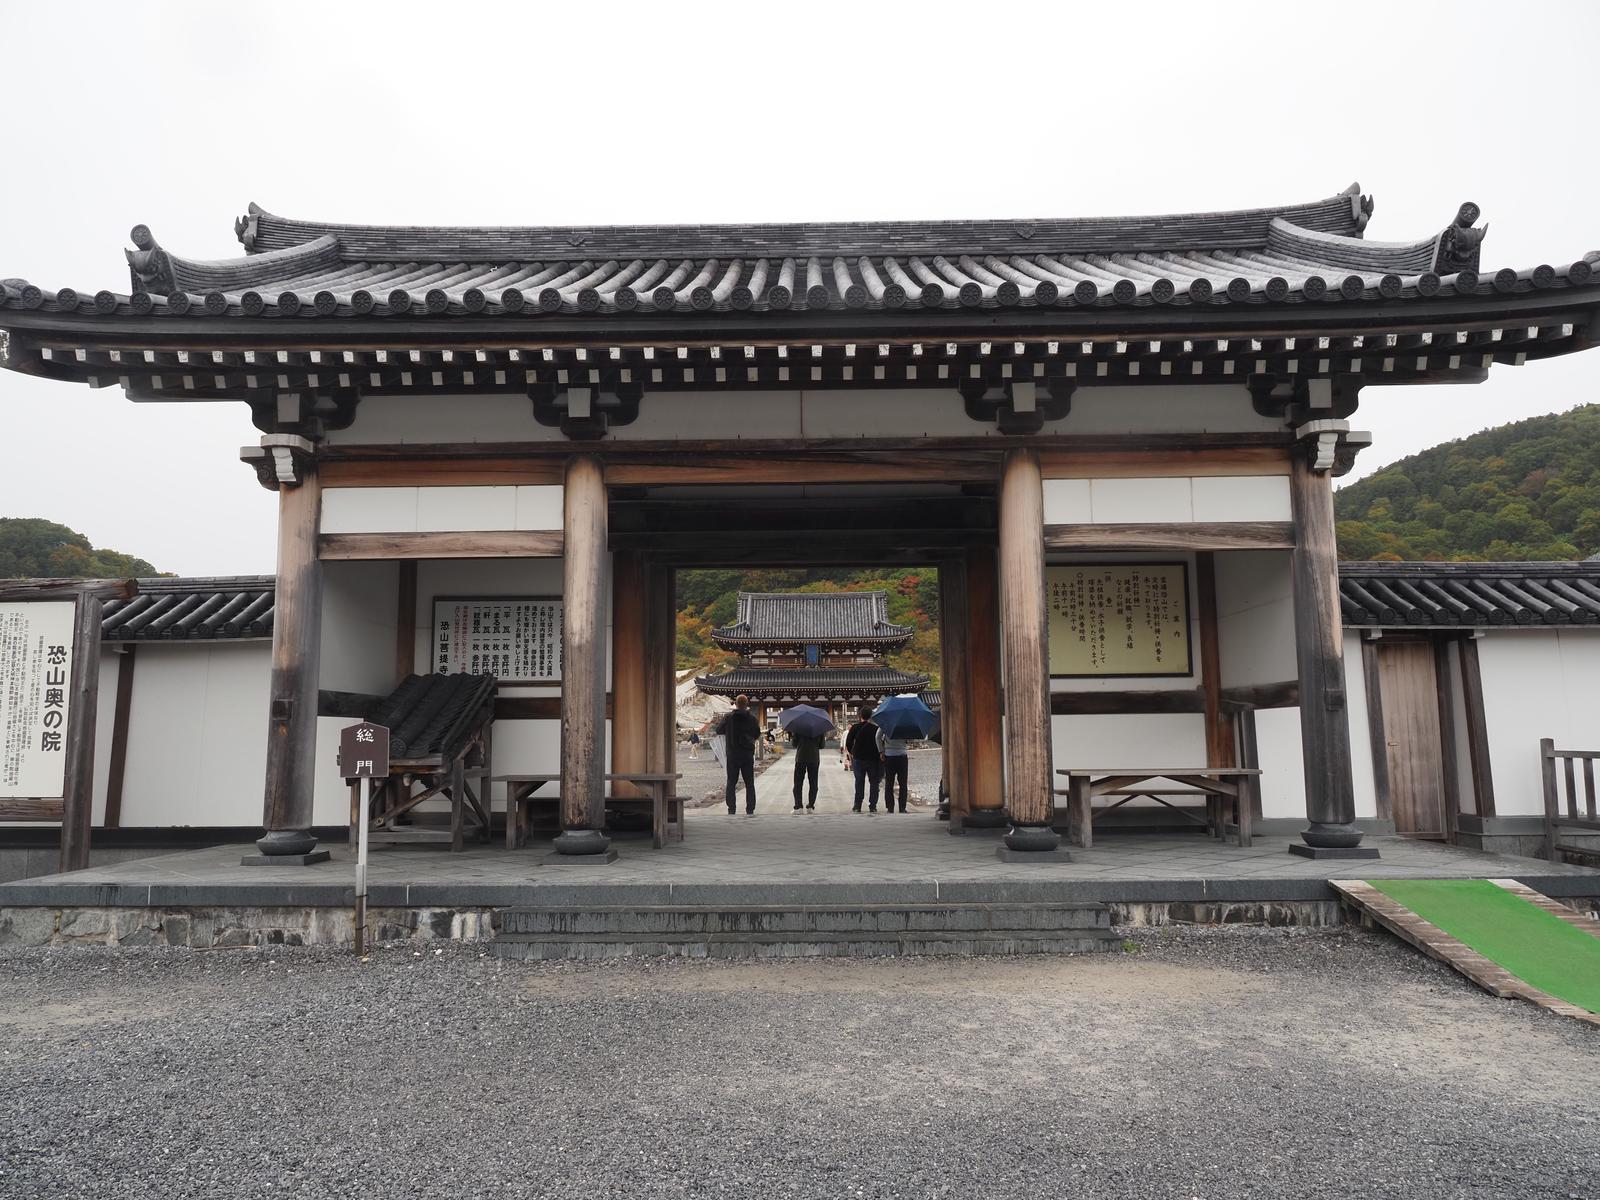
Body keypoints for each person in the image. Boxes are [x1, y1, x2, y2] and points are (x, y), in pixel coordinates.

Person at [715, 695, 761, 816]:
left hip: (732, 753)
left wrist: (729, 731)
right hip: (747, 754)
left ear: (736, 704)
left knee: (731, 782)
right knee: (749, 783)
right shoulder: (752, 718)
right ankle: (750, 809)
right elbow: (757, 734)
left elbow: (718, 730)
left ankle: (731, 809)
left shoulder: (728, 717)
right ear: (746, 704)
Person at [844, 704, 883, 813]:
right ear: (870, 716)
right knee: (874, 782)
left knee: (859, 782)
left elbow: (848, 742)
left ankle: (858, 805)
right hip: (873, 758)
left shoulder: (855, 728)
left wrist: (852, 753)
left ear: (860, 715)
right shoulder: (875, 729)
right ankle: (873, 805)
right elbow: (880, 742)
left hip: (859, 758)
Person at [789, 725, 825, 812]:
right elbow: (822, 745)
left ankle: (798, 806)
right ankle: (810, 806)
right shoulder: (819, 728)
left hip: (801, 757)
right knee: (813, 782)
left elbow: (794, 744)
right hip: (814, 758)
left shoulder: (798, 727)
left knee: (798, 783)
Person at [877, 723, 911, 813]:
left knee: (889, 783)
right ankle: (902, 808)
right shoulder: (905, 724)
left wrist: (881, 751)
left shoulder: (886, 723)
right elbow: (911, 738)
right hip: (902, 755)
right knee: (903, 783)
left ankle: (890, 808)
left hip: (889, 755)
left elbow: (877, 736)